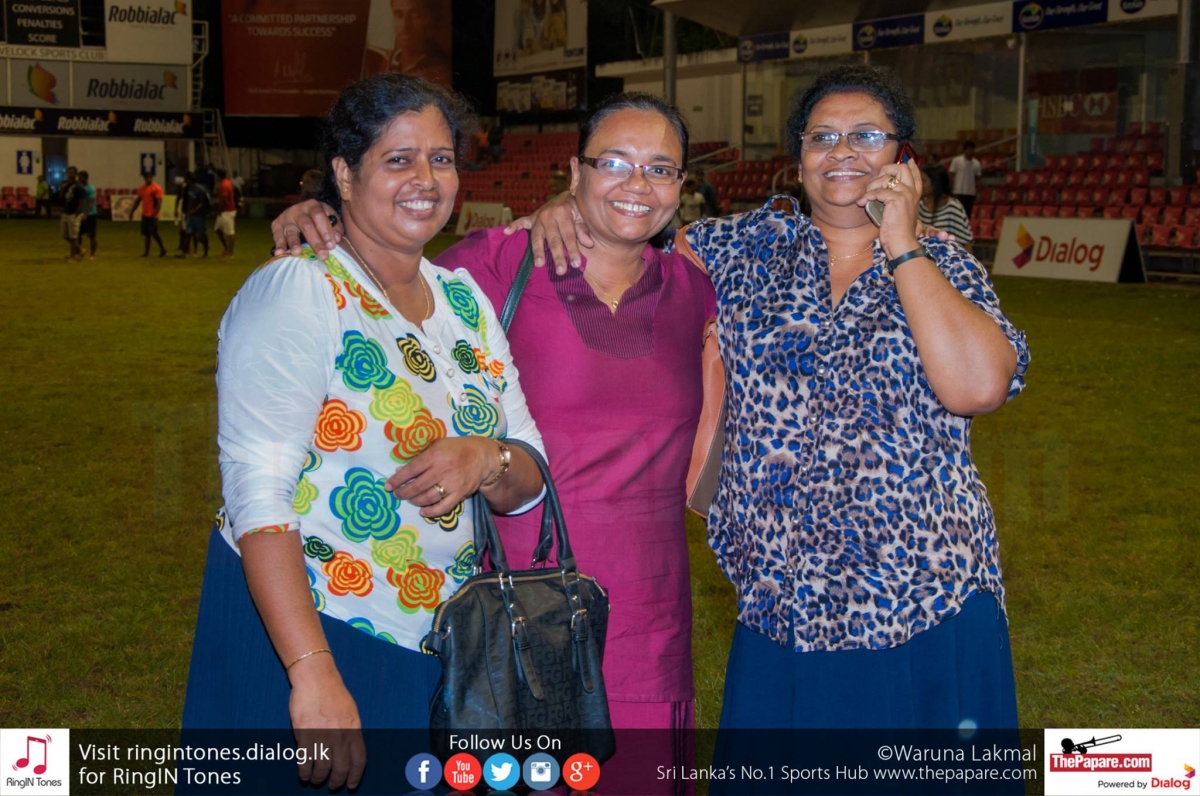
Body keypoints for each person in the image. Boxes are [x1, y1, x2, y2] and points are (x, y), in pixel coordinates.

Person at [505, 65, 1029, 742]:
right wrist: (567, 205)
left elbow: (978, 388)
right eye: (822, 137)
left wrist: (902, 246)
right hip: (782, 602)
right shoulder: (744, 250)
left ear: (904, 158)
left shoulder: (943, 265)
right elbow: (626, 232)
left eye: (867, 136)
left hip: (922, 594)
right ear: (799, 158)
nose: (842, 151)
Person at [272, 91, 718, 793]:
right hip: (516, 609)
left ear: (681, 184)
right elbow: (371, 271)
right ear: (574, 171)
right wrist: (321, 215)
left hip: (651, 620)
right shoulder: (499, 264)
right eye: (614, 163)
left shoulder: (696, 289)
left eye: (660, 169)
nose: (638, 184)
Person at [182, 74, 545, 794]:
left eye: (441, 159)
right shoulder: (300, 290)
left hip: (436, 640)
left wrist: (487, 456)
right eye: (398, 159)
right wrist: (311, 673)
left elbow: (530, 476)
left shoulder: (463, 300)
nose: (426, 180)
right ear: (345, 174)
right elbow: (259, 495)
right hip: (312, 627)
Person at [362, 0, 452, 87]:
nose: (404, 25)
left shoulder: (439, 74)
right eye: (398, 14)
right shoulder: (388, 60)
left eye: (415, 15)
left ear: (431, 20)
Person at [920, 164, 974, 254]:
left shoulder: (952, 207)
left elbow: (966, 243)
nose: (919, 184)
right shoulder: (920, 206)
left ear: (935, 183)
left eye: (923, 181)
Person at [129, 172, 167, 258]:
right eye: (146, 177)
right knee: (147, 234)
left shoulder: (156, 188)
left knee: (153, 232)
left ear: (151, 177)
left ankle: (162, 248)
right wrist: (132, 211)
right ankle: (147, 252)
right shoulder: (142, 188)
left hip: (152, 214)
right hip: (145, 214)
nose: (147, 179)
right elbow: (138, 200)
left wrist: (156, 212)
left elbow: (158, 202)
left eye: (149, 177)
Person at [176, 172, 211, 258]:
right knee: (188, 233)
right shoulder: (188, 189)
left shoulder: (200, 189)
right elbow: (186, 201)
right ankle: (183, 252)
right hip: (190, 215)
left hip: (199, 216)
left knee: (200, 235)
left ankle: (206, 250)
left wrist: (194, 210)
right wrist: (187, 212)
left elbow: (202, 203)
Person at [949, 139, 982, 217]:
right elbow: (951, 175)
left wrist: (978, 192)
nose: (970, 151)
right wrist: (951, 189)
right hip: (958, 191)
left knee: (967, 214)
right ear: (964, 150)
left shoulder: (977, 163)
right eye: (969, 149)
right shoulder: (956, 160)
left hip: (970, 193)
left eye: (972, 149)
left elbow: (978, 179)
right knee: (957, 213)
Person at [59, 167, 84, 261]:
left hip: (73, 213)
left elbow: (82, 202)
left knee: (73, 236)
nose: (70, 175)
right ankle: (80, 249)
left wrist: (77, 214)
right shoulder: (66, 185)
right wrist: (63, 188)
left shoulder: (78, 187)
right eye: (69, 172)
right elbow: (61, 197)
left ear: (76, 174)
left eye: (72, 173)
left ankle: (73, 255)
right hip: (65, 212)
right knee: (64, 235)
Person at [214, 168, 238, 259]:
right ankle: (226, 248)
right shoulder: (227, 183)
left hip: (227, 211)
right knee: (218, 229)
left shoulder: (224, 185)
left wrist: (220, 209)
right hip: (225, 210)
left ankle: (230, 252)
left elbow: (224, 198)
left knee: (229, 232)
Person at [76, 170, 98, 261]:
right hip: (80, 214)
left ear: (85, 178)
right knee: (78, 234)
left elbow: (90, 202)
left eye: (80, 177)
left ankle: (92, 254)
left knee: (92, 236)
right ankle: (79, 252)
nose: (78, 179)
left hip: (91, 214)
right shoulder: (79, 188)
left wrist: (86, 213)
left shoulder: (91, 188)